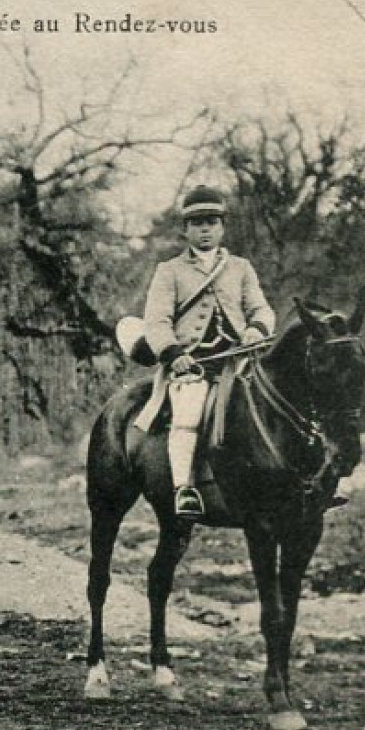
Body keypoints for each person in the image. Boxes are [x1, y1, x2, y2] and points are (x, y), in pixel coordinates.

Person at [138, 185, 276, 519]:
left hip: (239, 360)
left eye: (212, 221)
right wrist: (173, 354)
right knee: (188, 412)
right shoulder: (169, 271)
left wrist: (255, 330)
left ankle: (307, 479)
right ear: (185, 229)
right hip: (194, 364)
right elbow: (156, 321)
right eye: (197, 222)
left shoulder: (241, 268)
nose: (204, 229)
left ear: (222, 227)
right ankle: (184, 489)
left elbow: (261, 309)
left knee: (281, 399)